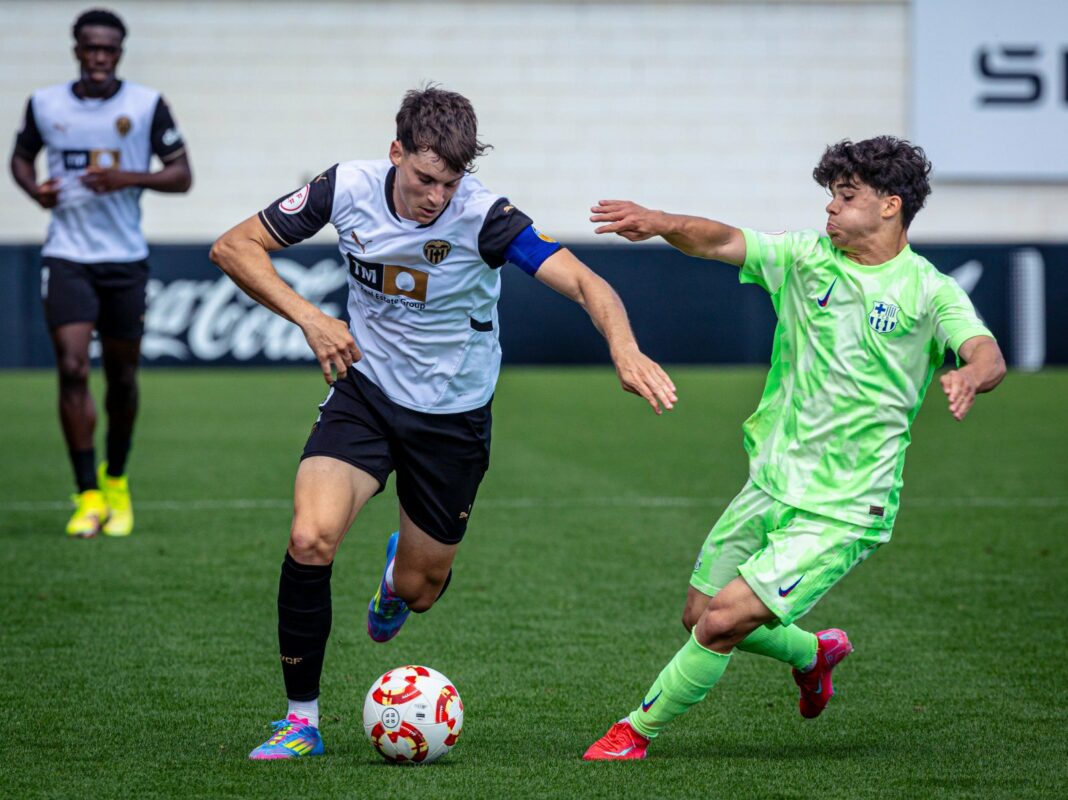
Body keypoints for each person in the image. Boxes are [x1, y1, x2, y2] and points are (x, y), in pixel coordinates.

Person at [210, 85, 677, 761]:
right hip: (366, 393)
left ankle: (400, 576)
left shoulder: (486, 218)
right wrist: (312, 318)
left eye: (450, 182)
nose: (437, 197)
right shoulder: (345, 187)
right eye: (426, 179)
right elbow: (234, 247)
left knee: (420, 591)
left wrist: (624, 348)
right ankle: (301, 720)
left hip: (453, 418)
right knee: (310, 538)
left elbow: (584, 282)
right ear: (396, 152)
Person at [582, 136, 1006, 760]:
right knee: (697, 612)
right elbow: (722, 239)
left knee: (721, 623)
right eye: (831, 196)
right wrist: (659, 221)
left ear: (891, 206)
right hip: (772, 480)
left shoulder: (929, 290)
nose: (830, 210)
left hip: (845, 505)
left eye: (846, 196)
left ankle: (633, 733)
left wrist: (972, 373)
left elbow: (985, 350)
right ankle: (814, 652)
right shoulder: (807, 258)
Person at [10, 8, 193, 538]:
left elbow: (182, 175)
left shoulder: (145, 105)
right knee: (70, 368)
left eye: (108, 49)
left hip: (124, 259)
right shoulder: (46, 104)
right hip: (66, 254)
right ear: (76, 49)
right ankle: (87, 492)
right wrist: (34, 190)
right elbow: (20, 159)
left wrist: (124, 178)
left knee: (122, 379)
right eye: (90, 48)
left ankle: (117, 479)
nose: (99, 57)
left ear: (119, 52)